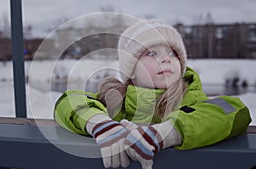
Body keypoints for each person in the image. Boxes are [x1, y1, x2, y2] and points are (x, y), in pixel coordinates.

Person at [54, 19, 251, 169]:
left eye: (172, 53)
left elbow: (234, 110)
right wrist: (100, 124)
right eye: (152, 53)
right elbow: (68, 101)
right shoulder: (116, 103)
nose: (166, 59)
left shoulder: (191, 99)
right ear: (131, 70)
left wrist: (165, 133)